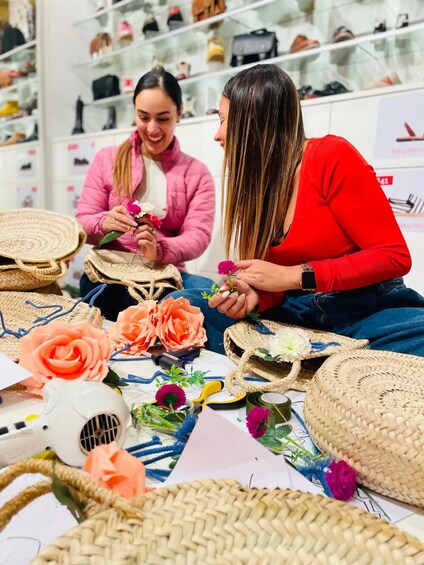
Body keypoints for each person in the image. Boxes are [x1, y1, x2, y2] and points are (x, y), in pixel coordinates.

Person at [166, 64, 424, 356]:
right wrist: (254, 297)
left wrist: (295, 276)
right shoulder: (256, 186)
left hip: (362, 310)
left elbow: (393, 256)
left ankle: (319, 363)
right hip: (297, 313)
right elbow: (273, 287)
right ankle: (323, 363)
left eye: (224, 121)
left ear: (253, 123)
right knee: (182, 303)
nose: (217, 134)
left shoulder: (331, 156)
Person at [76, 67, 215, 320]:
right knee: (141, 303)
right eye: (143, 117)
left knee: (216, 295)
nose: (152, 128)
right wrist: (104, 222)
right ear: (134, 113)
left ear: (180, 113)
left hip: (165, 275)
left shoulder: (197, 172)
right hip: (111, 271)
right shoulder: (107, 159)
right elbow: (83, 222)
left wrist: (160, 249)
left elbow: (199, 236)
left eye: (163, 118)